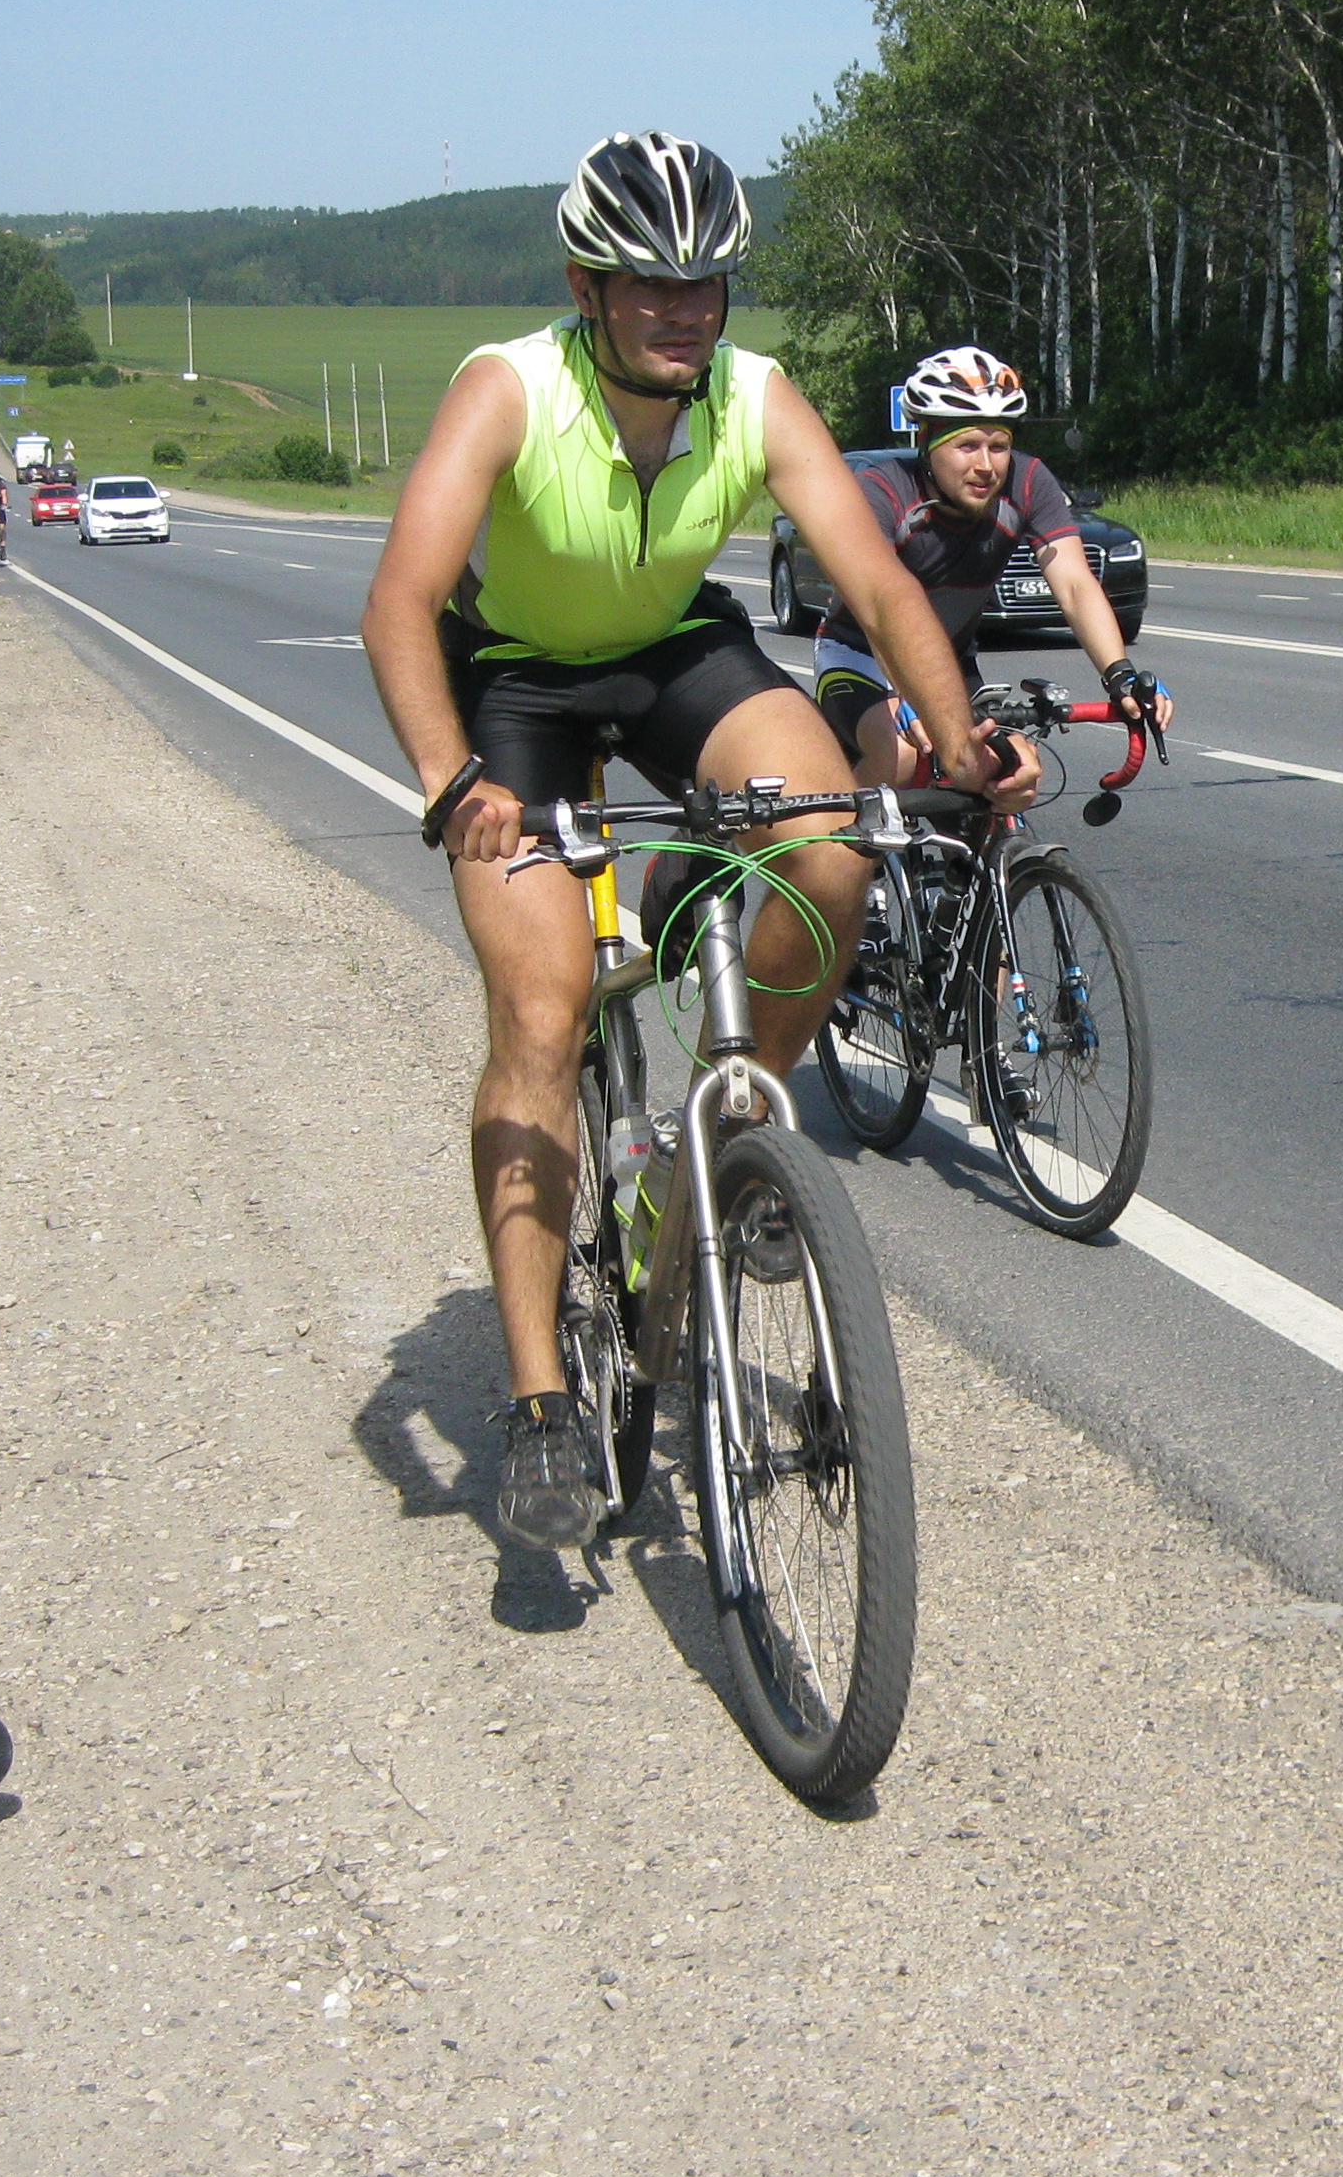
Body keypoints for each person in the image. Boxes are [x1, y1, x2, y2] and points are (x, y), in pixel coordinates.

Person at [361, 133, 1028, 1548]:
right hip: (517, 685)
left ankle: (715, 1149)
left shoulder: (752, 396)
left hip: (674, 652)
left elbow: (878, 582)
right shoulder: (510, 388)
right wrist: (449, 781)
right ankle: (541, 1401)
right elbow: (400, 601)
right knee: (541, 1013)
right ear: (586, 289)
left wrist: (962, 742)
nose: (682, 312)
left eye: (705, 286)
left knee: (832, 845)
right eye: (649, 286)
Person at [810, 346, 1172, 783]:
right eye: (967, 446)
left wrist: (1120, 675)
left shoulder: (1028, 480)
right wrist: (908, 692)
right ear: (926, 443)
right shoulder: (881, 490)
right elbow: (879, 603)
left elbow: (1075, 585)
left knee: (1009, 769)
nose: (985, 466)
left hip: (949, 664)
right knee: (905, 757)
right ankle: (841, 825)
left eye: (999, 447)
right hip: (862, 656)